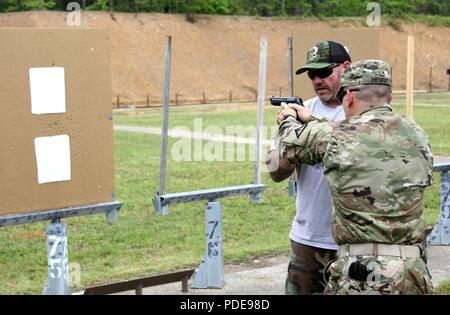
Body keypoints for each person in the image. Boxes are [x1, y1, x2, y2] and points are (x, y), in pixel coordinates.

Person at [275, 60, 434, 295]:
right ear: (388, 97)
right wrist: (314, 119)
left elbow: (290, 143)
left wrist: (288, 117)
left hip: (363, 277)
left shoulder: (336, 136)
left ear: (348, 97)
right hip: (412, 273)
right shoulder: (417, 133)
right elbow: (361, 135)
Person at [267, 40, 351, 295]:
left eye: (324, 72)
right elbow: (274, 171)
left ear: (346, 68)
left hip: (352, 242)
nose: (317, 80)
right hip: (307, 240)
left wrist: (310, 128)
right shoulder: (299, 113)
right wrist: (292, 140)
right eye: (312, 74)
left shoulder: (363, 111)